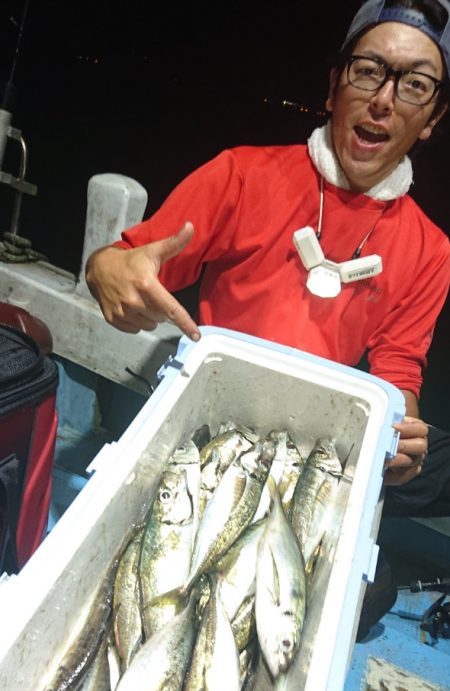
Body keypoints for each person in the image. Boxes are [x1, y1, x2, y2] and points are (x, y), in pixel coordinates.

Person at [86, 0, 450, 634]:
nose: (385, 100)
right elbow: (129, 263)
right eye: (368, 71)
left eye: (414, 84)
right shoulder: (243, 174)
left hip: (315, 443)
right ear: (334, 84)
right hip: (212, 420)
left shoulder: (430, 247)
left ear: (432, 119)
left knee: (370, 591)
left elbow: (398, 371)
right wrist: (108, 271)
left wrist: (401, 436)